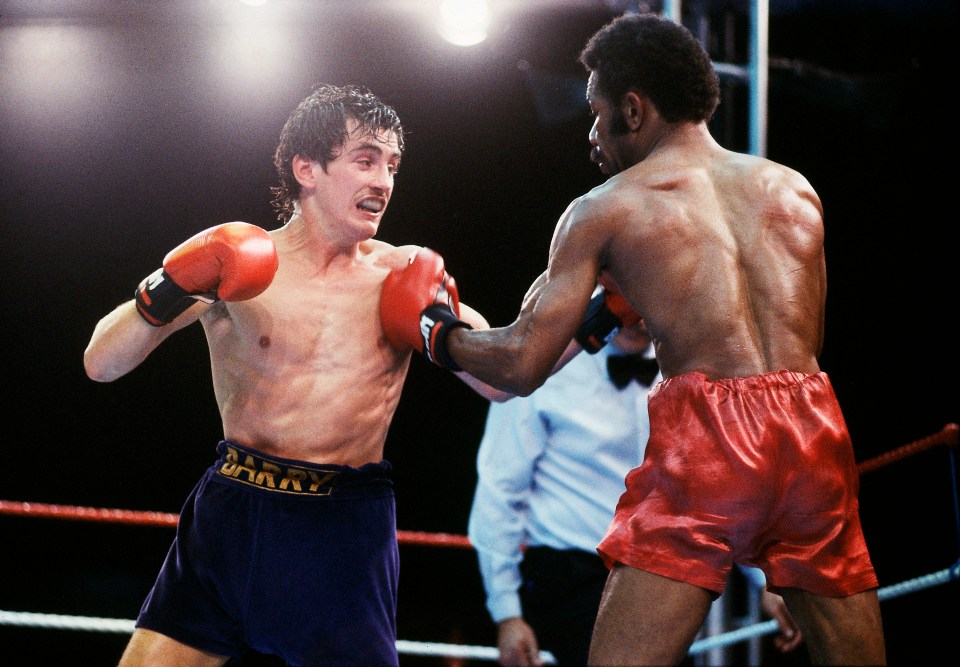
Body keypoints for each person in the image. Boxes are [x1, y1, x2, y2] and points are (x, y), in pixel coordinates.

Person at [383, 12, 886, 666]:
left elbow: (520, 362)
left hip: (710, 442)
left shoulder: (607, 207)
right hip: (815, 433)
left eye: (596, 114)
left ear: (633, 107)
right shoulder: (795, 191)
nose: (592, 135)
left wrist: (433, 332)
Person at [83, 83, 501, 667]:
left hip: (342, 528)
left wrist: (585, 323)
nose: (383, 181)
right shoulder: (238, 266)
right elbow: (101, 363)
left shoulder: (402, 274)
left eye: (391, 165)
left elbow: (501, 379)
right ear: (307, 168)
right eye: (365, 160)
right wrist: (171, 285)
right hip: (231, 511)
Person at [468, 322, 803, 667]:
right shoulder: (543, 368)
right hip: (570, 577)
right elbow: (499, 491)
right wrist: (507, 613)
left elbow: (723, 486)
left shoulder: (693, 370)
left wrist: (765, 579)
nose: (635, 317)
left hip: (662, 573)